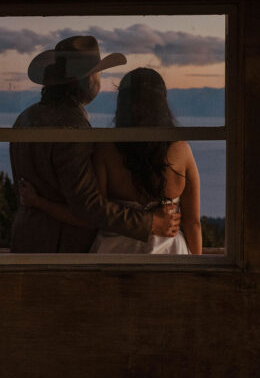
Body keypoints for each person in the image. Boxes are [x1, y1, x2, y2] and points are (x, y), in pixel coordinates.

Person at [9, 36, 181, 253]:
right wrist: (150, 223)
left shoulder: (26, 117)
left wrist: (39, 202)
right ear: (87, 79)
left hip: (26, 239)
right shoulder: (73, 129)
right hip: (61, 249)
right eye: (99, 72)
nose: (100, 78)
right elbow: (88, 207)